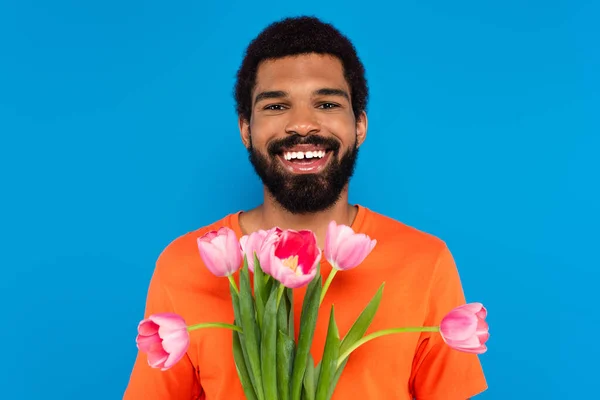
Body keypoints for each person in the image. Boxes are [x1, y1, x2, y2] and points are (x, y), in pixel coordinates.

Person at [123, 15, 488, 400]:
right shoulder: (185, 265)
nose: (301, 124)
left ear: (359, 125)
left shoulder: (424, 261)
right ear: (246, 129)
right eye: (276, 106)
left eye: (327, 103)